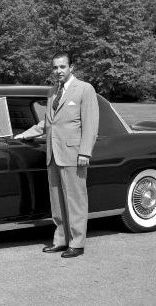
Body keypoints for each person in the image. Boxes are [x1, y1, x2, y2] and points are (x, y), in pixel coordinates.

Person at [14, 52, 99, 258]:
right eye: (55, 67)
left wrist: (85, 152)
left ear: (72, 68)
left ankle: (77, 243)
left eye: (62, 67)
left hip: (73, 153)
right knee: (57, 200)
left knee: (75, 200)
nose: (58, 71)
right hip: (53, 154)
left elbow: (91, 124)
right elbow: (48, 122)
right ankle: (61, 240)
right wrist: (25, 134)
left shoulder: (85, 89)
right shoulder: (53, 91)